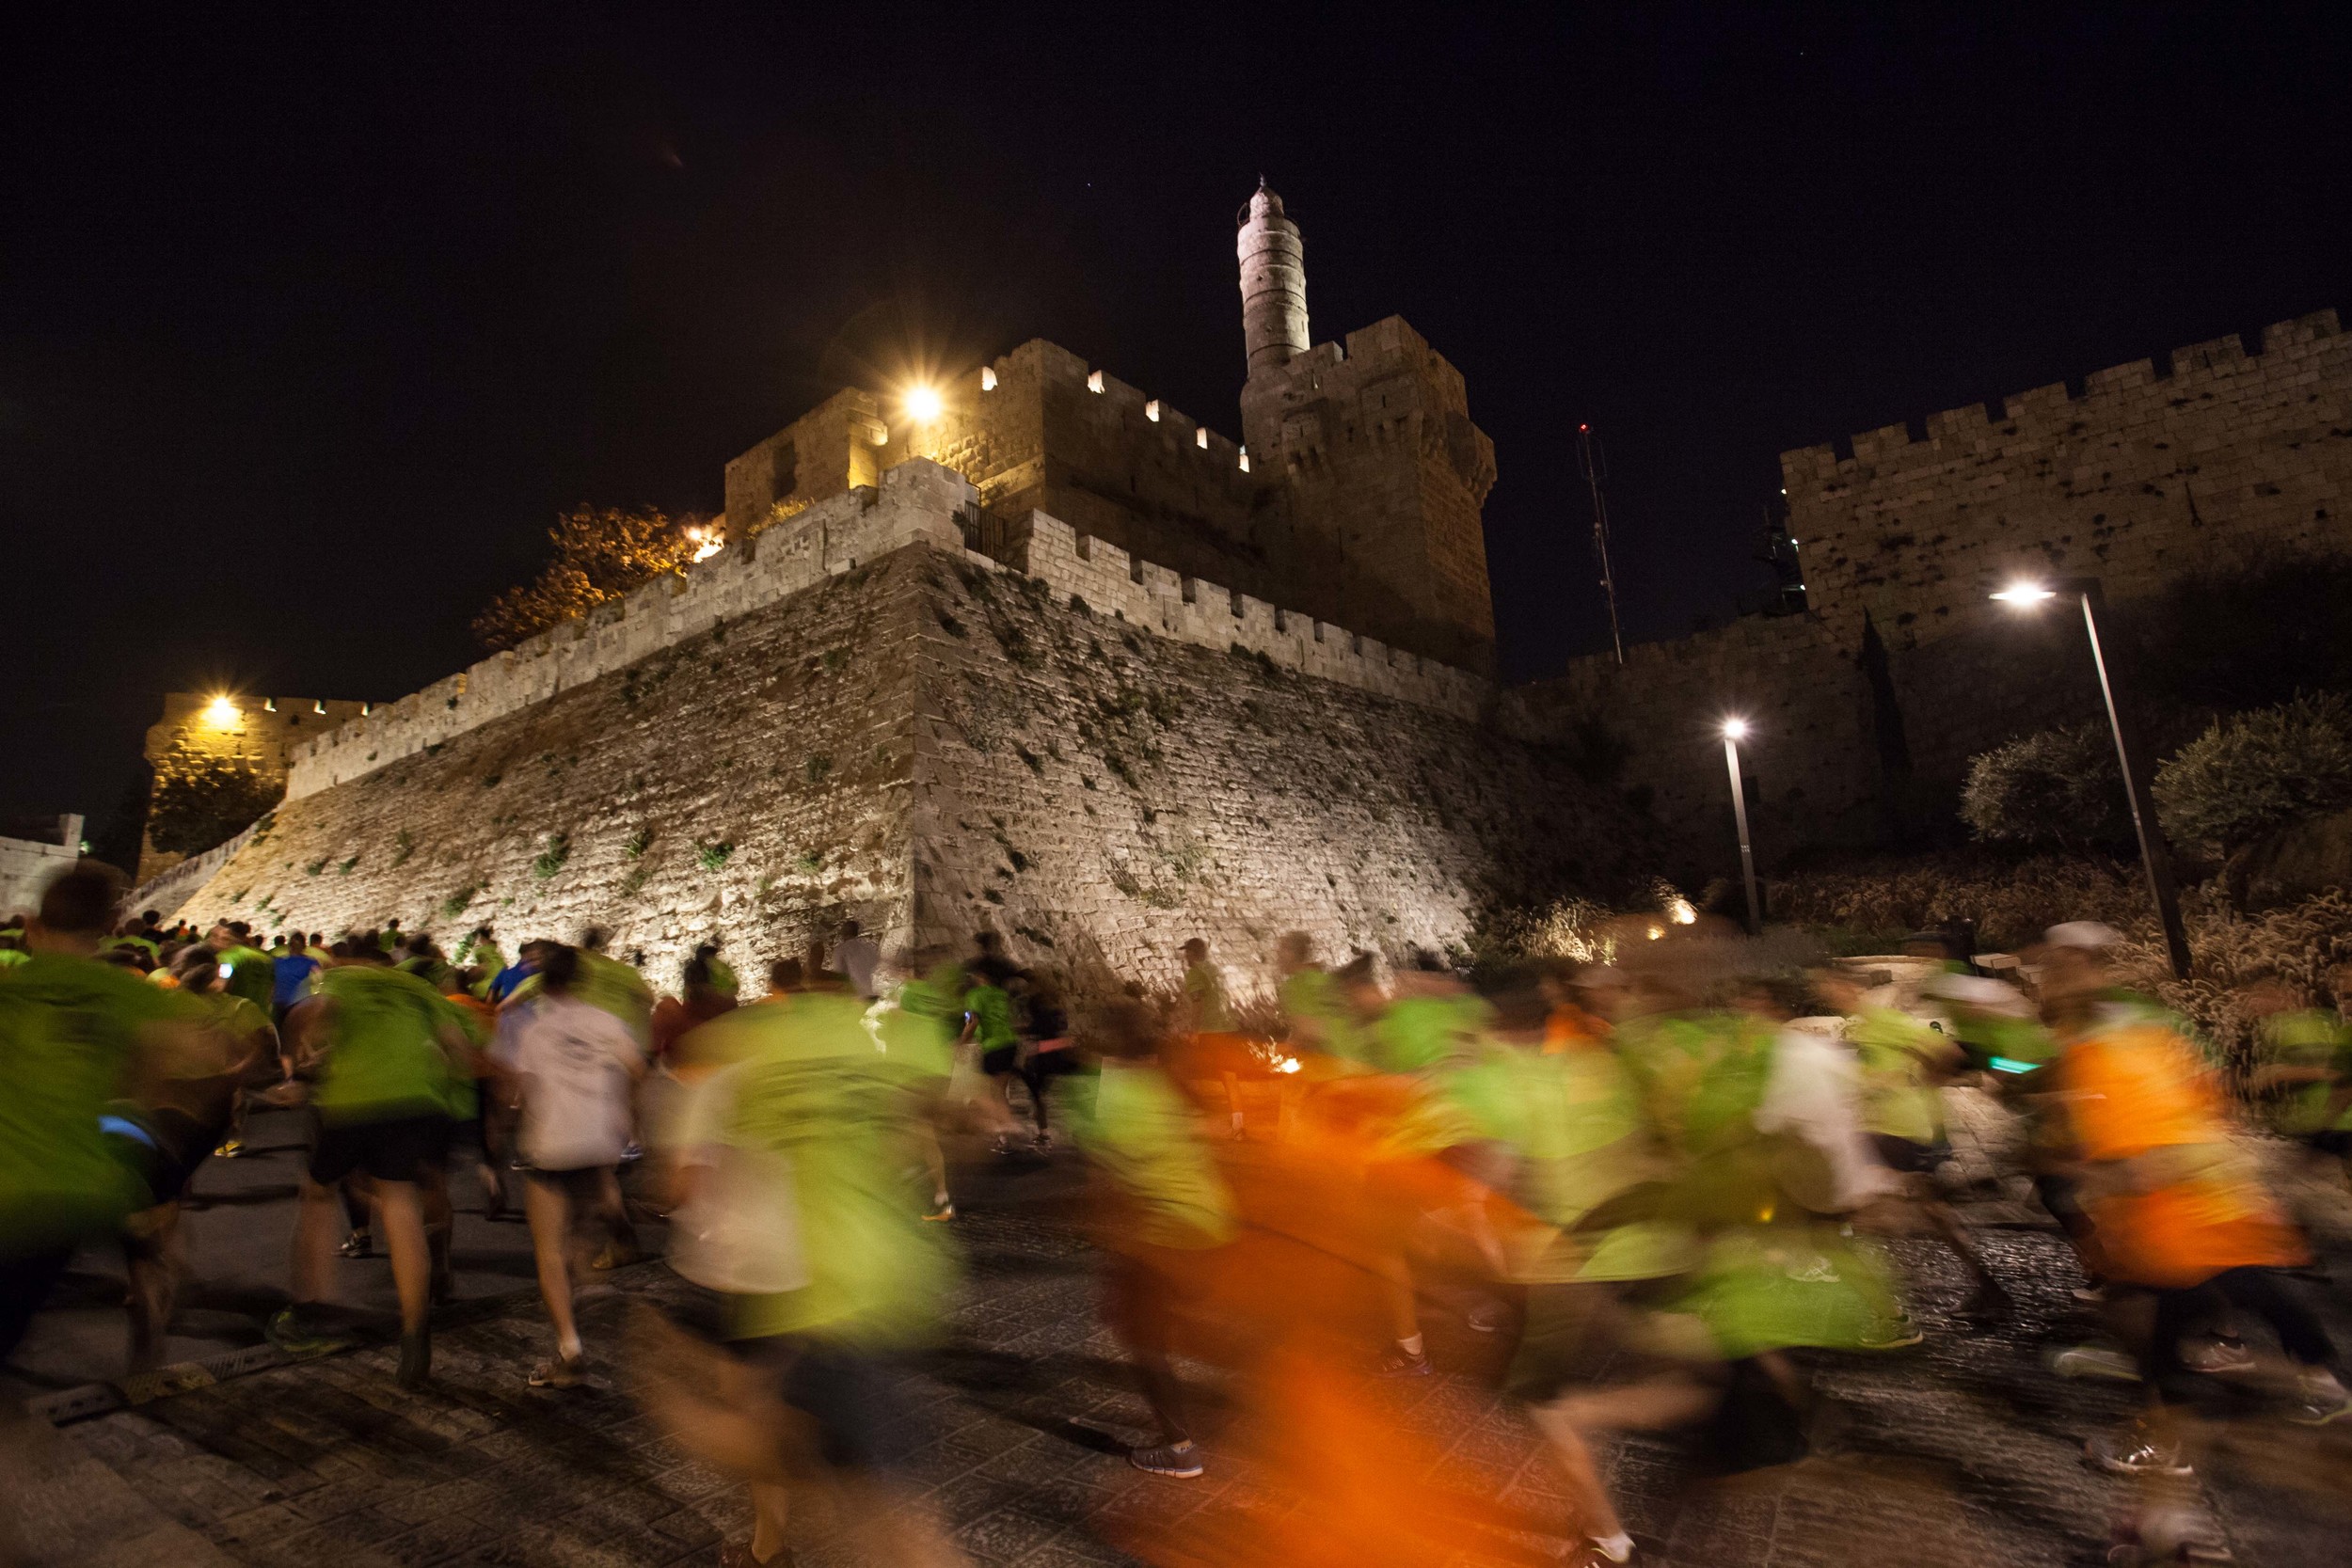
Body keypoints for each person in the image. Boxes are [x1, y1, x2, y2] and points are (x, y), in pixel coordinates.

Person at [647, 948, 961, 1566]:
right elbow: (939, 1119)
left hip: (789, 1277)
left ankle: (773, 1541)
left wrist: (669, 1401)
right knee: (835, 1452)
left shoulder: (733, 1049)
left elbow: (678, 1182)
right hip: (884, 1273)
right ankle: (772, 1542)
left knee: (880, 1502)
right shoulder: (868, 1045)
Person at [0, 864, 200, 1371]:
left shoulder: (10, 990)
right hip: (75, 1191)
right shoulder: (130, 996)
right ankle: (154, 1297)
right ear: (111, 925)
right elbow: (178, 1069)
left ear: (31, 926)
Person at [271, 940, 471, 1386]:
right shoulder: (414, 988)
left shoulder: (335, 977)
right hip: (419, 1101)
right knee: (401, 1206)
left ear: (344, 959)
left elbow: (310, 1015)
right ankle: (415, 1330)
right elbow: (456, 1047)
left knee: (318, 1196)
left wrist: (299, 1069)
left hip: (355, 1101)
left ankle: (310, 1310)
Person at [1070, 995, 1232, 1478]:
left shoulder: (1098, 1098)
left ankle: (1180, 1448)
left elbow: (1100, 1176)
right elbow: (1212, 1129)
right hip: (1215, 1222)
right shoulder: (1166, 1084)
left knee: (1143, 1337)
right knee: (1150, 1313)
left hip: (1167, 1233)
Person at [491, 942, 647, 1386]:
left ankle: (569, 1349)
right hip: (599, 1145)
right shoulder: (607, 1022)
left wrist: (506, 1132)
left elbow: (519, 1093)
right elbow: (638, 1071)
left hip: (552, 1148)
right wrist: (626, 1117)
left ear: (545, 983)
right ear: (581, 980)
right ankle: (587, 1284)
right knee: (582, 1228)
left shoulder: (535, 1032)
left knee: (549, 1252)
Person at [832, 917, 882, 1002]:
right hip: (869, 994)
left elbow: (838, 974)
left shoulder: (840, 950)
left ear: (843, 932)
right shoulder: (868, 948)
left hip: (854, 996)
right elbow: (875, 965)